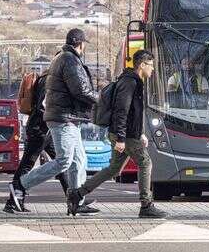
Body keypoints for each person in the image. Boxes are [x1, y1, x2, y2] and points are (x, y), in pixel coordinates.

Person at [8, 28, 99, 214]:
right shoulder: (69, 60)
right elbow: (80, 90)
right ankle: (21, 185)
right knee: (63, 161)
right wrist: (102, 100)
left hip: (65, 119)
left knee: (78, 160)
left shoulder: (60, 61)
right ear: (81, 44)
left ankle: (76, 199)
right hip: (59, 119)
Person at [67, 50, 167, 218]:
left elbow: (135, 112)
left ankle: (77, 194)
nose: (153, 69)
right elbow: (122, 112)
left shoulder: (133, 81)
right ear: (142, 65)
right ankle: (146, 205)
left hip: (127, 134)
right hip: (125, 136)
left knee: (113, 169)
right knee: (145, 163)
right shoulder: (130, 83)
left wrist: (141, 132)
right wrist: (121, 138)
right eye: (151, 65)